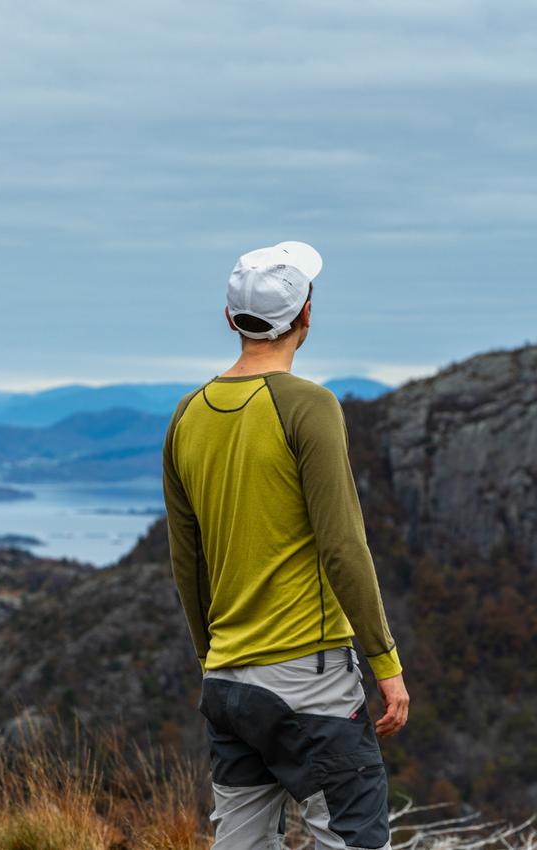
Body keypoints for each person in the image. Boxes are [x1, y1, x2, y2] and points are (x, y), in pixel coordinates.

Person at [162, 241, 410, 850]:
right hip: (310, 676)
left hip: (227, 679)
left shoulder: (187, 416)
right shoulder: (310, 407)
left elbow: (186, 563)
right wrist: (387, 664)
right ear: (304, 316)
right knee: (350, 837)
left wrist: (212, 656)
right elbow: (343, 546)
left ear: (231, 319)